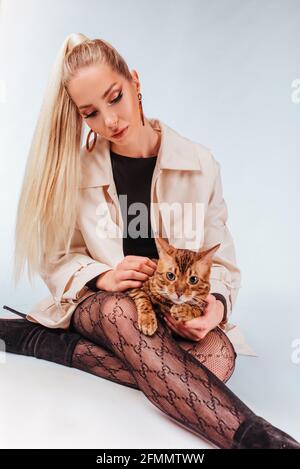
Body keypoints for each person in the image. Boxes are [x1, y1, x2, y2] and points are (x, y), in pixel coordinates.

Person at [1, 33, 299, 449]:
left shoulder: (199, 164)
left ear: (135, 81)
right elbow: (57, 258)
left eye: (115, 97)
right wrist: (102, 276)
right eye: (91, 113)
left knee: (218, 359)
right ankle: (261, 440)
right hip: (107, 306)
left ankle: (48, 344)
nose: (110, 121)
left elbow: (223, 261)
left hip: (169, 311)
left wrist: (214, 308)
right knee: (124, 312)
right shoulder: (77, 171)